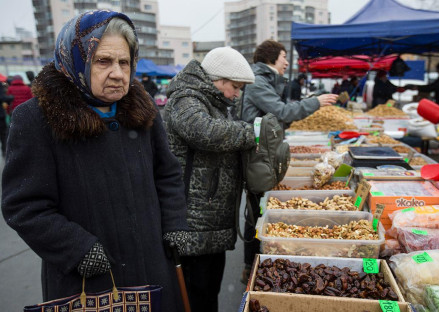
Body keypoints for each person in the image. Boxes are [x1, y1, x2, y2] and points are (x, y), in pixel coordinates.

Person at [1, 10, 189, 312]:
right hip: (90, 284)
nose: (118, 73)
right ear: (76, 59)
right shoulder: (36, 119)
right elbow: (24, 205)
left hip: (152, 267)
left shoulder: (142, 110)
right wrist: (78, 249)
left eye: (124, 62)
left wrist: (175, 221)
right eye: (103, 61)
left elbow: (166, 174)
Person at [163, 46, 256, 312]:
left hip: (211, 221)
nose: (237, 94)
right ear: (218, 80)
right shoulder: (186, 98)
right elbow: (204, 131)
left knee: (208, 292)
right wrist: (252, 132)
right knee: (196, 296)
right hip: (192, 222)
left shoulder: (217, 103)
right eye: (235, 87)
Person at [240, 39, 337, 283]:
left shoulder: (265, 81)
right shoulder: (257, 82)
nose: (286, 63)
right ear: (272, 58)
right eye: (284, 57)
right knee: (255, 210)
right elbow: (281, 112)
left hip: (264, 155)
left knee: (259, 209)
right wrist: (315, 102)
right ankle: (251, 268)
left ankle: (257, 264)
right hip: (257, 158)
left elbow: (278, 116)